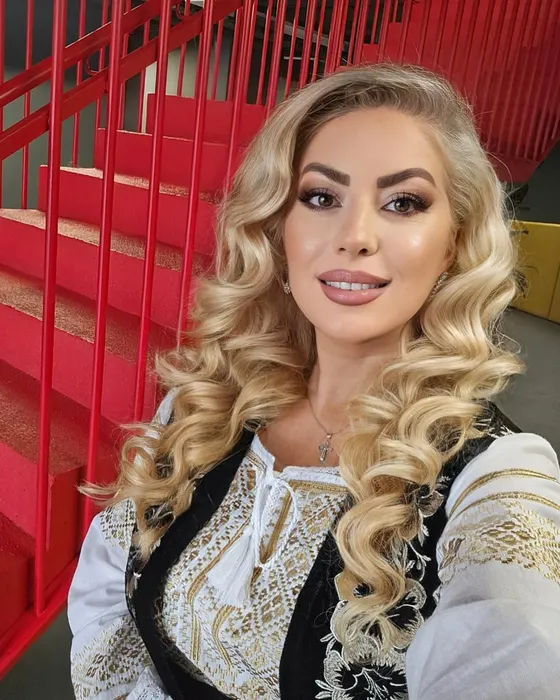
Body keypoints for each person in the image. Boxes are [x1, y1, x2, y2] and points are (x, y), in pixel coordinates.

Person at [67, 64, 560, 700]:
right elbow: (108, 589)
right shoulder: (206, 407)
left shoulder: (497, 481)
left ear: (452, 244)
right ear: (279, 230)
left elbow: (514, 649)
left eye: (403, 203)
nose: (355, 237)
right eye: (322, 198)